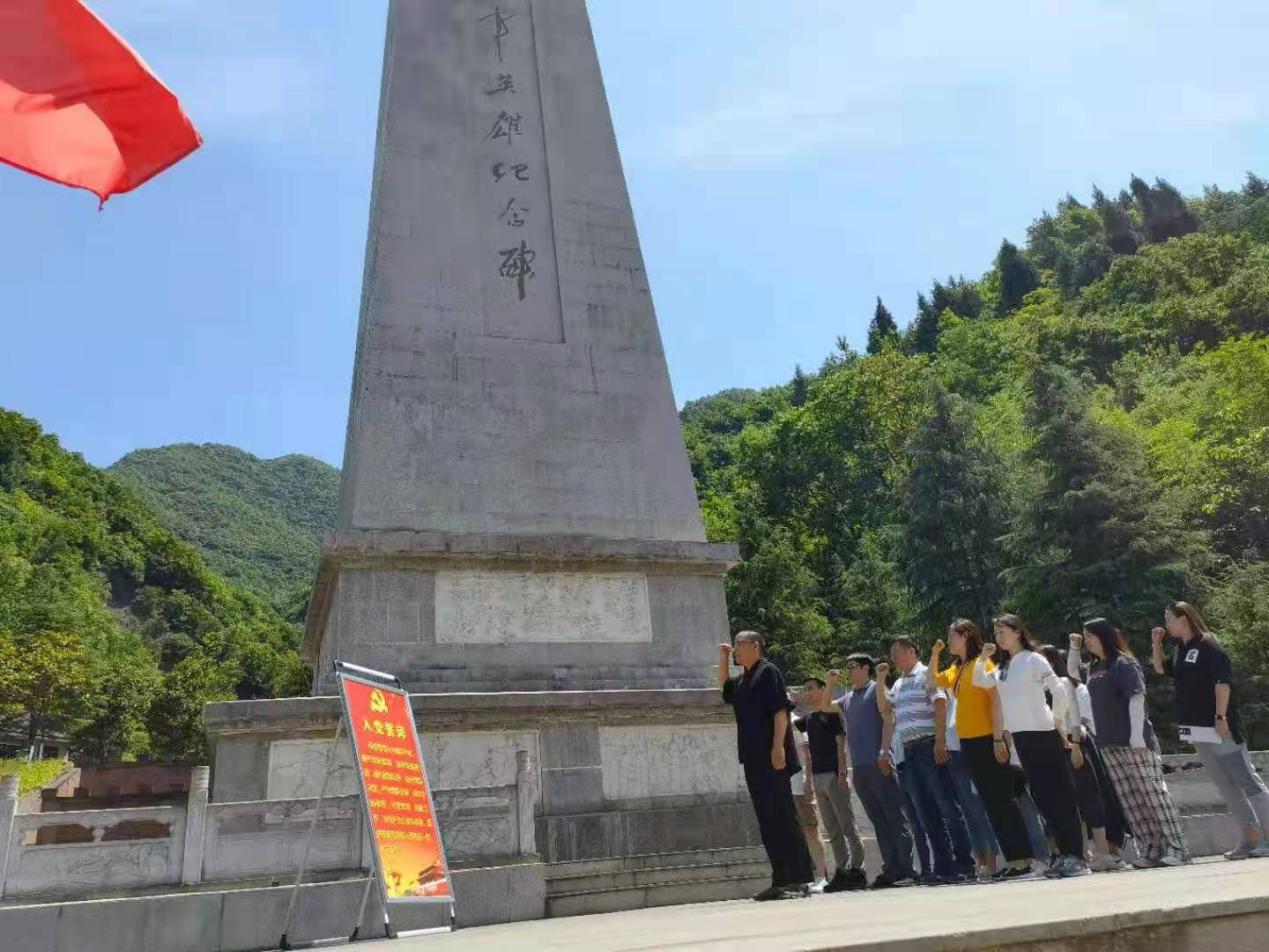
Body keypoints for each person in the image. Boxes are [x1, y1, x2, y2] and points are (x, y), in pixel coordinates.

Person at [1152, 602, 1269, 860]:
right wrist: (1157, 644)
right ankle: (1250, 839)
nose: (1166, 624)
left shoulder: (1209, 645)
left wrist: (1220, 716)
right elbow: (1161, 669)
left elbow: (1222, 683)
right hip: (1195, 729)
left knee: (1246, 779)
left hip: (1220, 726)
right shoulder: (1180, 649)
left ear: (1184, 619)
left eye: (1169, 619)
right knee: (1225, 785)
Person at [974, 615, 1090, 878]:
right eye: (995, 632)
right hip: (1021, 738)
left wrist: (1057, 721)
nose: (998, 637)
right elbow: (980, 680)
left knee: (1059, 797)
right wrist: (983, 657)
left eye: (1002, 631)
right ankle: (1063, 854)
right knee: (1043, 799)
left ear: (1017, 631)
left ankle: (1077, 857)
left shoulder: (1033, 659)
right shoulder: (1005, 666)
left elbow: (1059, 690)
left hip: (1043, 734)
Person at [930, 620, 1034, 881]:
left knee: (1004, 800)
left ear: (965, 636)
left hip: (988, 739)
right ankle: (1013, 861)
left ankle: (1024, 860)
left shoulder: (982, 663)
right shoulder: (958, 667)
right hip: (968, 743)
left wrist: (998, 739)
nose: (949, 640)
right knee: (991, 803)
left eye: (952, 636)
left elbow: (996, 700)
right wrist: (935, 653)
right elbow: (932, 680)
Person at [1083, 618, 1189, 868]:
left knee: (1153, 794)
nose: (1087, 641)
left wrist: (1137, 736)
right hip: (1108, 742)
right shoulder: (1094, 667)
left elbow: (1136, 698)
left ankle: (1177, 848)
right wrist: (1075, 648)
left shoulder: (1124, 663)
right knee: (1131, 799)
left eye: (1090, 636)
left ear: (1104, 635)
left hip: (1135, 741)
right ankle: (1150, 849)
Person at [719, 633, 814, 899]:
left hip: (772, 755)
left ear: (755, 645)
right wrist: (724, 658)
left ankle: (800, 878)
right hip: (752, 757)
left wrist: (778, 746)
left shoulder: (768, 672)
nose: (736, 650)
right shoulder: (744, 680)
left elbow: (780, 711)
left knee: (783, 815)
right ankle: (780, 878)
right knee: (767, 819)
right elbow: (725, 688)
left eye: (739, 645)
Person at [877, 637, 976, 884]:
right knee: (926, 813)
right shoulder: (898, 683)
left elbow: (940, 704)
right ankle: (943, 866)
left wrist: (940, 741)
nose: (893, 657)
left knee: (947, 807)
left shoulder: (926, 675)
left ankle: (964, 864)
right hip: (909, 752)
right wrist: (880, 681)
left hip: (929, 746)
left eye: (897, 652)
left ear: (912, 651)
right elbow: (885, 710)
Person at [1040, 644, 1126, 872]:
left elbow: (1077, 719)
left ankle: (1104, 851)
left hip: (1073, 741)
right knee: (1067, 802)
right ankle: (1081, 852)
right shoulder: (1038, 689)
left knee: (1089, 797)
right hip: (1052, 744)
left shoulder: (1065, 684)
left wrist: (1076, 746)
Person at [834, 653, 916, 888]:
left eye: (853, 666)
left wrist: (883, 752)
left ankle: (907, 870)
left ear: (865, 668)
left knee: (895, 817)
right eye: (847, 666)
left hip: (879, 763)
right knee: (878, 821)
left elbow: (888, 718)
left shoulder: (877, 689)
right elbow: (824, 705)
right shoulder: (848, 697)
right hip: (860, 768)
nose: (849, 670)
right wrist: (829, 683)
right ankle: (890, 869)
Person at [800, 675, 867, 891]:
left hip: (833, 774)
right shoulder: (809, 718)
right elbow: (790, 721)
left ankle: (858, 869)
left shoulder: (831, 715)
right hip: (818, 777)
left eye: (811, 688)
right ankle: (842, 869)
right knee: (832, 828)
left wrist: (842, 772)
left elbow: (841, 745)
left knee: (847, 824)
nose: (808, 693)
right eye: (805, 689)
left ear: (822, 690)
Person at [790, 713, 829, 890]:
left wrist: (808, 782)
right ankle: (805, 875)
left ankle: (821, 876)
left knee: (811, 829)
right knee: (796, 833)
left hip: (800, 785)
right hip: (787, 786)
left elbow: (808, 756)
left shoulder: (796, 722)